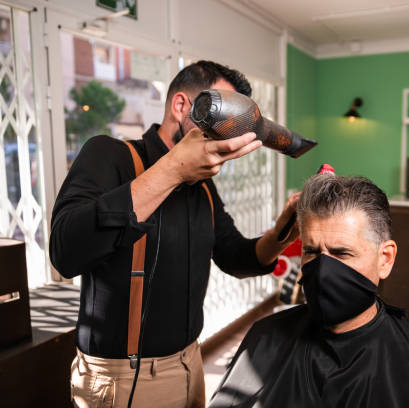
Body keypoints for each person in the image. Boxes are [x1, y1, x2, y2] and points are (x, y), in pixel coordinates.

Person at [49, 60, 300, 408]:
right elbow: (65, 252)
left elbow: (234, 255)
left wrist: (282, 233)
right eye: (223, 113)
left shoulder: (203, 188)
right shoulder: (111, 155)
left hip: (190, 363)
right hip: (121, 378)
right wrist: (172, 171)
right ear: (182, 105)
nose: (229, 129)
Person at [209, 174, 409, 408]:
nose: (324, 269)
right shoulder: (264, 339)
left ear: (385, 259)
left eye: (341, 253)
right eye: (312, 251)